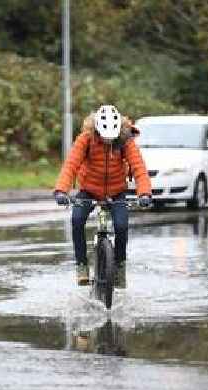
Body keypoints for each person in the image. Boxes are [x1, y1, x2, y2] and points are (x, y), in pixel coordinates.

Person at [54, 104, 152, 288]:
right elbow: (71, 165)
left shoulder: (125, 140)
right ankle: (82, 265)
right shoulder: (86, 139)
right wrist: (61, 190)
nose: (108, 141)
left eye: (111, 138)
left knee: (121, 226)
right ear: (97, 129)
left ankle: (120, 268)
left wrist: (144, 193)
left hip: (117, 190)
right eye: (105, 137)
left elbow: (139, 167)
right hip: (89, 189)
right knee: (76, 220)